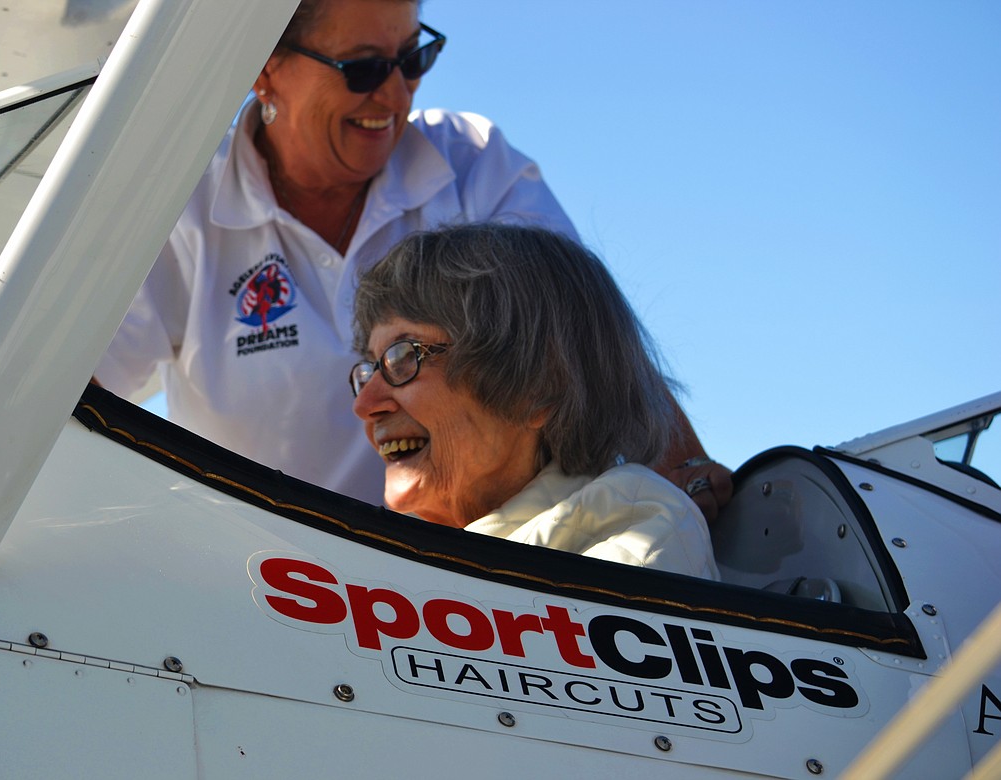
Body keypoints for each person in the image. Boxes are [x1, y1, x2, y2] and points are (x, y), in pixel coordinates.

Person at [96, 0, 731, 517]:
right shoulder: (177, 204)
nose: (396, 95)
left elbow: (579, 336)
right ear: (263, 69)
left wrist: (682, 476)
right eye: (364, 69)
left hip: (464, 568)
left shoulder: (471, 162)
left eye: (413, 58)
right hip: (262, 574)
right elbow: (74, 394)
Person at [350, 223, 719, 579]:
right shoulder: (386, 562)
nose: (365, 403)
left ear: (537, 388)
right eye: (369, 368)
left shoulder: (638, 528)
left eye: (403, 358)